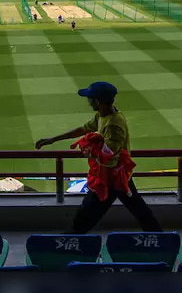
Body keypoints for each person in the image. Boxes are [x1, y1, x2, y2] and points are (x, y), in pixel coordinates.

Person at [34, 81, 161, 234]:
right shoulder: (103, 116)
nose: (88, 102)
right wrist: (53, 139)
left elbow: (111, 158)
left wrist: (91, 152)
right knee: (139, 210)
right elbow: (84, 129)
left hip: (111, 178)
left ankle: (73, 238)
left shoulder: (114, 125)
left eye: (90, 99)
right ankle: (159, 237)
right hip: (117, 177)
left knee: (89, 212)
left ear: (98, 101)